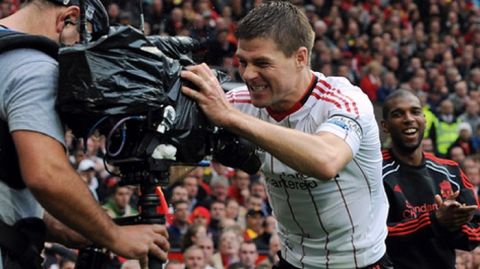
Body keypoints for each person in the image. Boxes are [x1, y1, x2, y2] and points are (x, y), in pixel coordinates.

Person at [181, 1, 389, 268]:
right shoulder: (239, 103)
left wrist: (230, 118)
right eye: (242, 62)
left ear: (300, 58)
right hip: (291, 260)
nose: (247, 74)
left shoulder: (344, 101)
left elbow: (326, 161)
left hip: (358, 263)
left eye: (262, 63)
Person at [0, 0, 169, 268]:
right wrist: (115, 236)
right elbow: (46, 174)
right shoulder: (34, 67)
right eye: (83, 42)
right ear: (68, 18)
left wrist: (74, 224)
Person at [380, 89, 480, 269]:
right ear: (385, 126)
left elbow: (476, 232)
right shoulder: (373, 172)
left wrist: (452, 223)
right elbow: (373, 236)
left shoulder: (450, 169)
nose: (409, 118)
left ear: (424, 120)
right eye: (398, 114)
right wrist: (435, 221)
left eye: (415, 111)